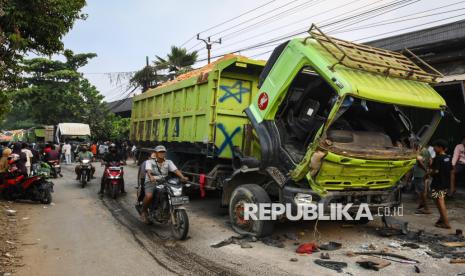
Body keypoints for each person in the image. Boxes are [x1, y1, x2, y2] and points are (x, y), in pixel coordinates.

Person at [140, 145, 188, 223]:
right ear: (156, 153)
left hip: (164, 181)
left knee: (172, 193)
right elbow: (148, 170)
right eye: (160, 152)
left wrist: (183, 177)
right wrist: (151, 176)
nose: (162, 154)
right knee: (149, 196)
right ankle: (143, 211)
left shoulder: (169, 162)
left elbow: (175, 170)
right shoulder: (150, 162)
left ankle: (166, 209)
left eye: (163, 152)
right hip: (151, 182)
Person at [430, 139, 453, 229]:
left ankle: (446, 222)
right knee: (436, 199)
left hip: (438, 183)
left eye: (435, 147)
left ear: (440, 148)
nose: (434, 148)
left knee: (440, 201)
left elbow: (435, 171)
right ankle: (442, 218)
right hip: (444, 183)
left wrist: (428, 174)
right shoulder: (448, 158)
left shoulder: (438, 158)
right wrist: (451, 186)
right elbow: (451, 171)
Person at [413, 145, 432, 214]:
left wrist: (425, 169)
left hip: (419, 173)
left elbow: (420, 162)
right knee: (423, 190)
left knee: (422, 191)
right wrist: (428, 169)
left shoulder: (419, 152)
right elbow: (430, 161)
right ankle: (421, 204)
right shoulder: (426, 151)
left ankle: (426, 208)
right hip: (424, 174)